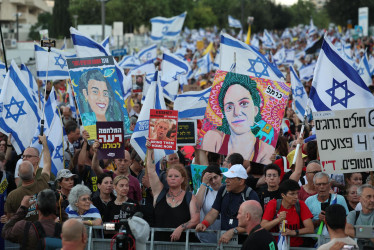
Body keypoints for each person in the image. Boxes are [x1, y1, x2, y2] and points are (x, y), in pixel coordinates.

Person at [201, 72, 274, 164]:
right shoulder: (213, 138)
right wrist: (199, 151)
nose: (236, 112)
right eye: (229, 107)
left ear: (255, 110)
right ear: (224, 114)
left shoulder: (266, 150)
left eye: (244, 103)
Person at [146, 139, 200, 242]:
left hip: (183, 244)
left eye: (176, 176)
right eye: (170, 176)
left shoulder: (189, 197)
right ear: (166, 178)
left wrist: (181, 228)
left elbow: (196, 219)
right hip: (159, 244)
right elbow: (151, 170)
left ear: (183, 179)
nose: (173, 178)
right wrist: (150, 150)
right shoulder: (159, 193)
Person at [196, 164, 260, 244]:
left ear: (241, 181)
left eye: (230, 178)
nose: (226, 180)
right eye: (227, 177)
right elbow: (214, 212)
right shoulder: (223, 190)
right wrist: (204, 223)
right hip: (225, 242)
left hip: (245, 243)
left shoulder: (251, 196)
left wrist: (234, 231)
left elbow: (254, 223)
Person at [4, 135, 51, 221]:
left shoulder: (12, 196)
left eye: (28, 156)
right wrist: (45, 144)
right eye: (23, 156)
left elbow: (11, 219)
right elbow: (47, 164)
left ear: (37, 159)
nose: (25, 158)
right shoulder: (42, 182)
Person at [261, 179, 314, 247]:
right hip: (276, 247)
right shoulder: (273, 204)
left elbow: (310, 229)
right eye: (292, 194)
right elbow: (263, 227)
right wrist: (278, 219)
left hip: (296, 247)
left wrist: (294, 232)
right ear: (283, 195)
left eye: (297, 193)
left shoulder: (300, 205)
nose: (296, 197)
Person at [195, 165, 223, 243]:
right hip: (206, 236)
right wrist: (203, 183)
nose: (213, 181)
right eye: (210, 179)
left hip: (224, 235)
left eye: (215, 177)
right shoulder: (204, 190)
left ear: (221, 176)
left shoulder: (227, 190)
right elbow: (196, 207)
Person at [345, 184, 374, 249]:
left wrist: (358, 231)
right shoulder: (353, 214)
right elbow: (348, 230)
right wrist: (370, 234)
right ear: (359, 198)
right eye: (368, 197)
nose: (372, 200)